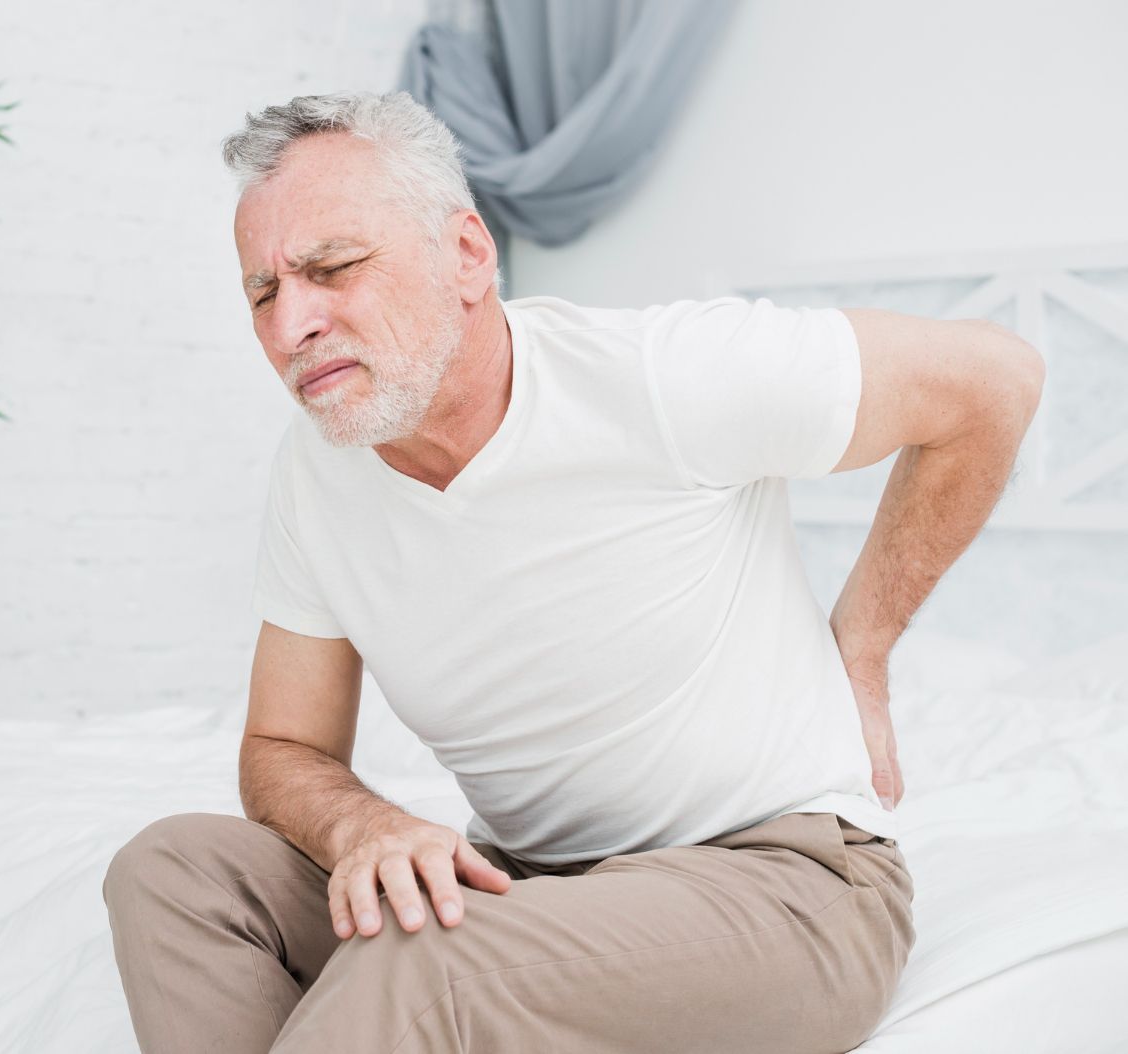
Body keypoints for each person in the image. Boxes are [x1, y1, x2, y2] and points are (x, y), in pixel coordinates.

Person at [102, 90, 1045, 1053]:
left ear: (467, 255)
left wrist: (865, 650)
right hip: (536, 892)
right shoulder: (315, 476)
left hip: (781, 883)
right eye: (262, 291)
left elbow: (994, 383)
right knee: (171, 872)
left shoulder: (666, 375)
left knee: (427, 964)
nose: (290, 323)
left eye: (333, 268)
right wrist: (362, 829)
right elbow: (282, 746)